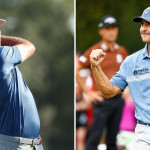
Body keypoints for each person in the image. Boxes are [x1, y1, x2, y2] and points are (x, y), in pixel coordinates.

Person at [90, 7, 150, 150]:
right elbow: (109, 91)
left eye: (148, 24)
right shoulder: (131, 62)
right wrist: (95, 67)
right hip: (144, 133)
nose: (143, 29)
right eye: (142, 24)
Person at [76, 15, 128, 150]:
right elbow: (76, 69)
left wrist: (127, 91)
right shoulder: (95, 50)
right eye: (108, 28)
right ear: (101, 31)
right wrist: (88, 93)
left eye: (114, 28)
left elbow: (130, 73)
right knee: (94, 137)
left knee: (112, 139)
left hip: (118, 99)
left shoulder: (122, 51)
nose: (111, 31)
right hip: (101, 99)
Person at [0, 19, 43, 149]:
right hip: (14, 145)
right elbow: (29, 46)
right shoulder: (2, 56)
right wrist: (2, 39)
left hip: (28, 143)